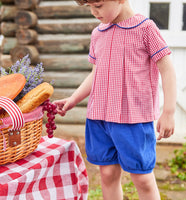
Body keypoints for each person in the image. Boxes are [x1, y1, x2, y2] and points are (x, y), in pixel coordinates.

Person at [53, 0, 176, 199]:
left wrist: (168, 112)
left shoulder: (146, 28)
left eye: (99, 5)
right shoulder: (97, 33)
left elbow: (167, 68)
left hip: (133, 120)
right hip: (99, 118)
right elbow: (96, 73)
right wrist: (74, 98)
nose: (94, 12)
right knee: (107, 174)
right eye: (89, 7)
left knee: (142, 179)